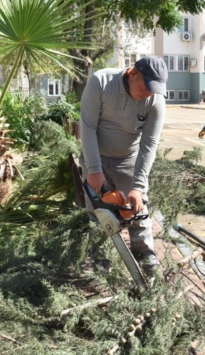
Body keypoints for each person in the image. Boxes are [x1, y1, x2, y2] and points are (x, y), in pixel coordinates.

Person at [79, 57, 167, 273]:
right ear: (132, 73)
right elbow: (87, 127)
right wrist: (94, 169)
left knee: (138, 210)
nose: (148, 93)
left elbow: (149, 144)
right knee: (98, 213)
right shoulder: (101, 82)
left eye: (154, 89)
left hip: (129, 159)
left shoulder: (154, 99)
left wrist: (138, 186)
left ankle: (146, 259)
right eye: (146, 87)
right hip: (95, 155)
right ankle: (102, 263)